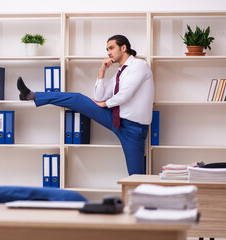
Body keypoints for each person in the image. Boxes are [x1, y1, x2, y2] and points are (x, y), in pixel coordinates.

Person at [17, 35, 154, 175]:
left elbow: (125, 95)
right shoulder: (119, 73)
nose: (108, 52)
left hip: (133, 129)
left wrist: (105, 104)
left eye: (111, 48)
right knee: (77, 98)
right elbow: (98, 97)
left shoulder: (139, 66)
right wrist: (102, 71)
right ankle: (31, 95)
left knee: (136, 175)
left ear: (123, 47)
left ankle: (143, 195)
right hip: (114, 119)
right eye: (107, 49)